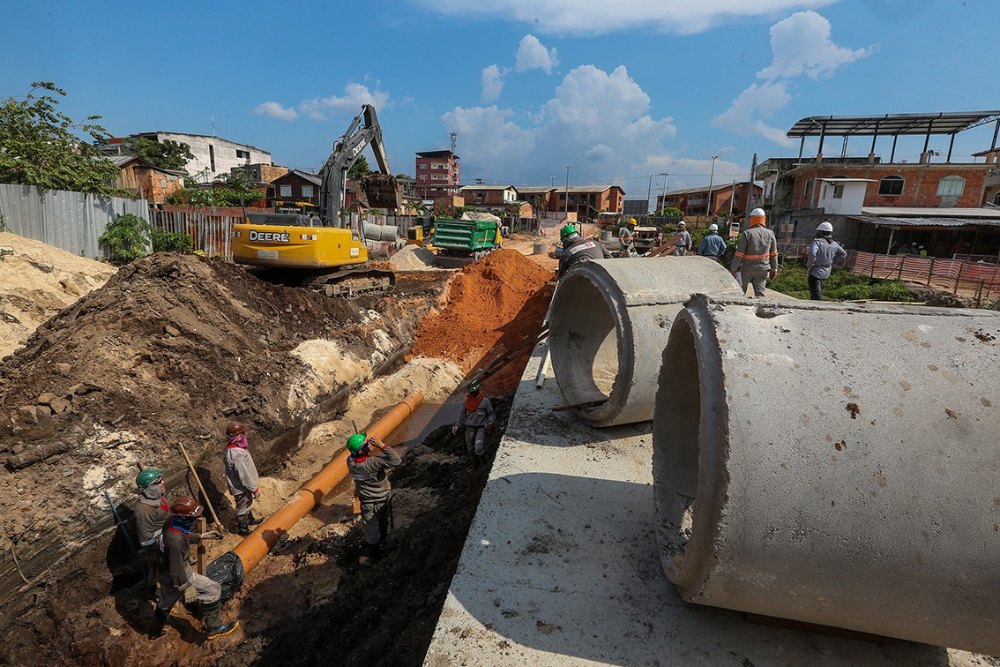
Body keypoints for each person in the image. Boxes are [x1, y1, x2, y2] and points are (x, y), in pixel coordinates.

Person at [151, 496, 233, 640]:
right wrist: (187, 587)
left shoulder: (171, 522)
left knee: (165, 602)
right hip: (178, 574)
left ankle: (154, 632)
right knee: (213, 589)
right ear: (184, 518)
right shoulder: (175, 542)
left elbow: (183, 535)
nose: (195, 519)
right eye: (193, 517)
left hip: (163, 573)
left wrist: (200, 536)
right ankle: (214, 628)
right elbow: (176, 568)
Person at [346, 433, 401, 566]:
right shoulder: (374, 462)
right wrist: (381, 445)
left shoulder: (350, 462)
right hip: (382, 500)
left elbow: (354, 456)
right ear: (361, 450)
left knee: (371, 528)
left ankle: (375, 553)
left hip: (367, 503)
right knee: (382, 524)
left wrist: (363, 447)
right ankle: (378, 552)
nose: (369, 443)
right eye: (366, 443)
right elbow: (396, 460)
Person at [135, 468, 169, 597]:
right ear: (150, 487)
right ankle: (160, 594)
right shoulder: (144, 510)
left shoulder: (157, 497)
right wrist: (158, 553)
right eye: (159, 481)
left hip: (166, 536)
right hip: (157, 543)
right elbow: (146, 538)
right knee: (160, 571)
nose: (163, 482)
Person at [224, 421, 262, 536]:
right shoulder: (237, 455)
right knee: (243, 506)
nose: (245, 436)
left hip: (240, 485)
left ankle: (250, 520)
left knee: (247, 503)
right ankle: (243, 529)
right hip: (241, 487)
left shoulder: (231, 449)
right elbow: (244, 476)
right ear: (238, 436)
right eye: (243, 434)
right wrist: (254, 489)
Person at [730, 208, 778, 298]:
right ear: (763, 219)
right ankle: (762, 310)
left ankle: (741, 309)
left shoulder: (747, 234)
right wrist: (774, 269)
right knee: (761, 294)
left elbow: (739, 254)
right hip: (763, 269)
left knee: (740, 293)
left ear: (751, 219)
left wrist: (733, 268)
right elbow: (774, 254)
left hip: (747, 269)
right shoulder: (770, 234)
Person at [452, 383, 496, 468]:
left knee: (478, 448)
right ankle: (476, 466)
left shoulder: (485, 401)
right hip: (470, 428)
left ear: (478, 391)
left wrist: (491, 421)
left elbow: (491, 414)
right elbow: (463, 415)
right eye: (472, 393)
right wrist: (457, 425)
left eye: (475, 392)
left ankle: (484, 465)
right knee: (471, 449)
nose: (474, 394)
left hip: (481, 428)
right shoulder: (467, 402)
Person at [806, 221, 847, 301]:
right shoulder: (834, 244)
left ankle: (818, 309)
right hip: (826, 272)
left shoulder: (817, 242)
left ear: (820, 232)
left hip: (816, 272)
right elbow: (843, 254)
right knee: (816, 292)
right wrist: (832, 261)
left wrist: (810, 266)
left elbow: (812, 253)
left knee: (816, 294)